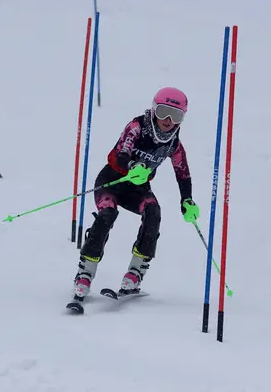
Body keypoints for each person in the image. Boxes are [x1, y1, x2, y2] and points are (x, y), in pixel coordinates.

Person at [71, 86, 200, 303]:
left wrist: (186, 200)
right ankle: (85, 272)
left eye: (176, 115)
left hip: (137, 190)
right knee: (107, 214)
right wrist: (132, 166)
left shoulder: (174, 144)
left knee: (153, 211)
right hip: (112, 181)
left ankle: (136, 272)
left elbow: (183, 174)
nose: (168, 120)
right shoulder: (137, 127)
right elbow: (122, 153)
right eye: (163, 112)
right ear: (154, 110)